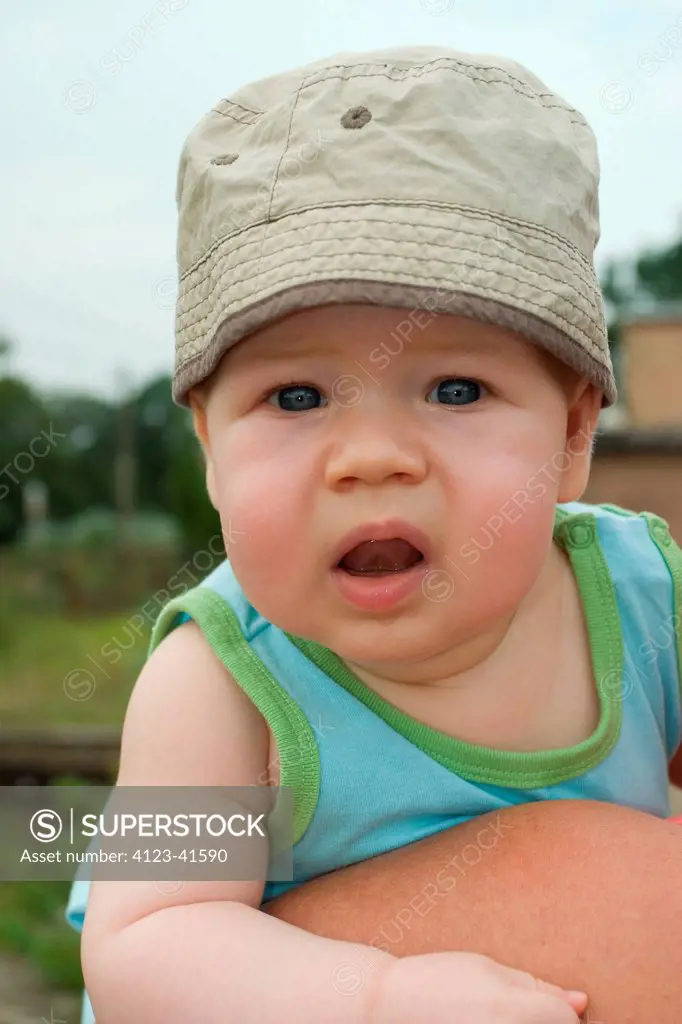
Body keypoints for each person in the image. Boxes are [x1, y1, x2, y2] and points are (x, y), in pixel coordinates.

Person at [65, 45, 682, 1023]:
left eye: (455, 388)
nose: (372, 456)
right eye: (296, 395)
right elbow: (146, 944)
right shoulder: (220, 679)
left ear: (571, 435)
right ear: (212, 449)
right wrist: (378, 995)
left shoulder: (646, 592)